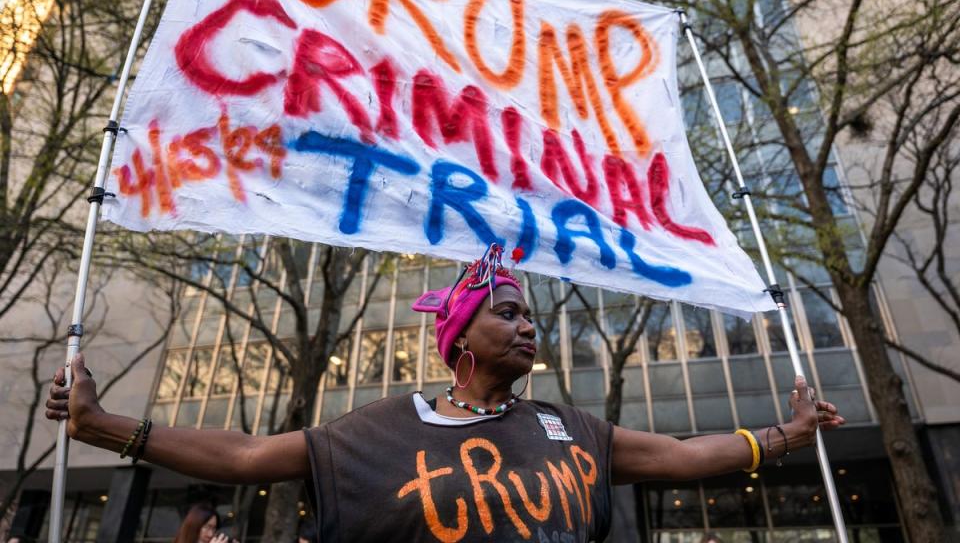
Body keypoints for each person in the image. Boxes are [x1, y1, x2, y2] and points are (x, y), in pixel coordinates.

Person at [46, 245, 844, 542]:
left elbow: (678, 456)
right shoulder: (383, 428)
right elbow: (249, 455)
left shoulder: (573, 432)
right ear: (459, 337)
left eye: (530, 317)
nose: (529, 328)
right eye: (508, 314)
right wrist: (100, 425)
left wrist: (785, 435)